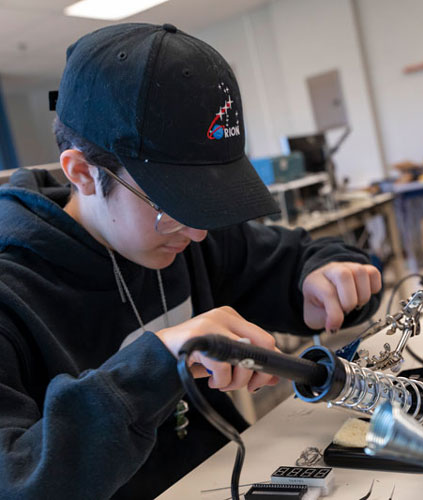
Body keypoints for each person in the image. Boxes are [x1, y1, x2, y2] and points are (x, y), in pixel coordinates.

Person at [0, 22, 381, 500]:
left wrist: (328, 276)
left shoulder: (185, 238)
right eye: (171, 204)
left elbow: (300, 258)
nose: (199, 231)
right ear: (83, 173)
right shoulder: (13, 295)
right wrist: (156, 365)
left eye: (208, 203)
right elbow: (16, 481)